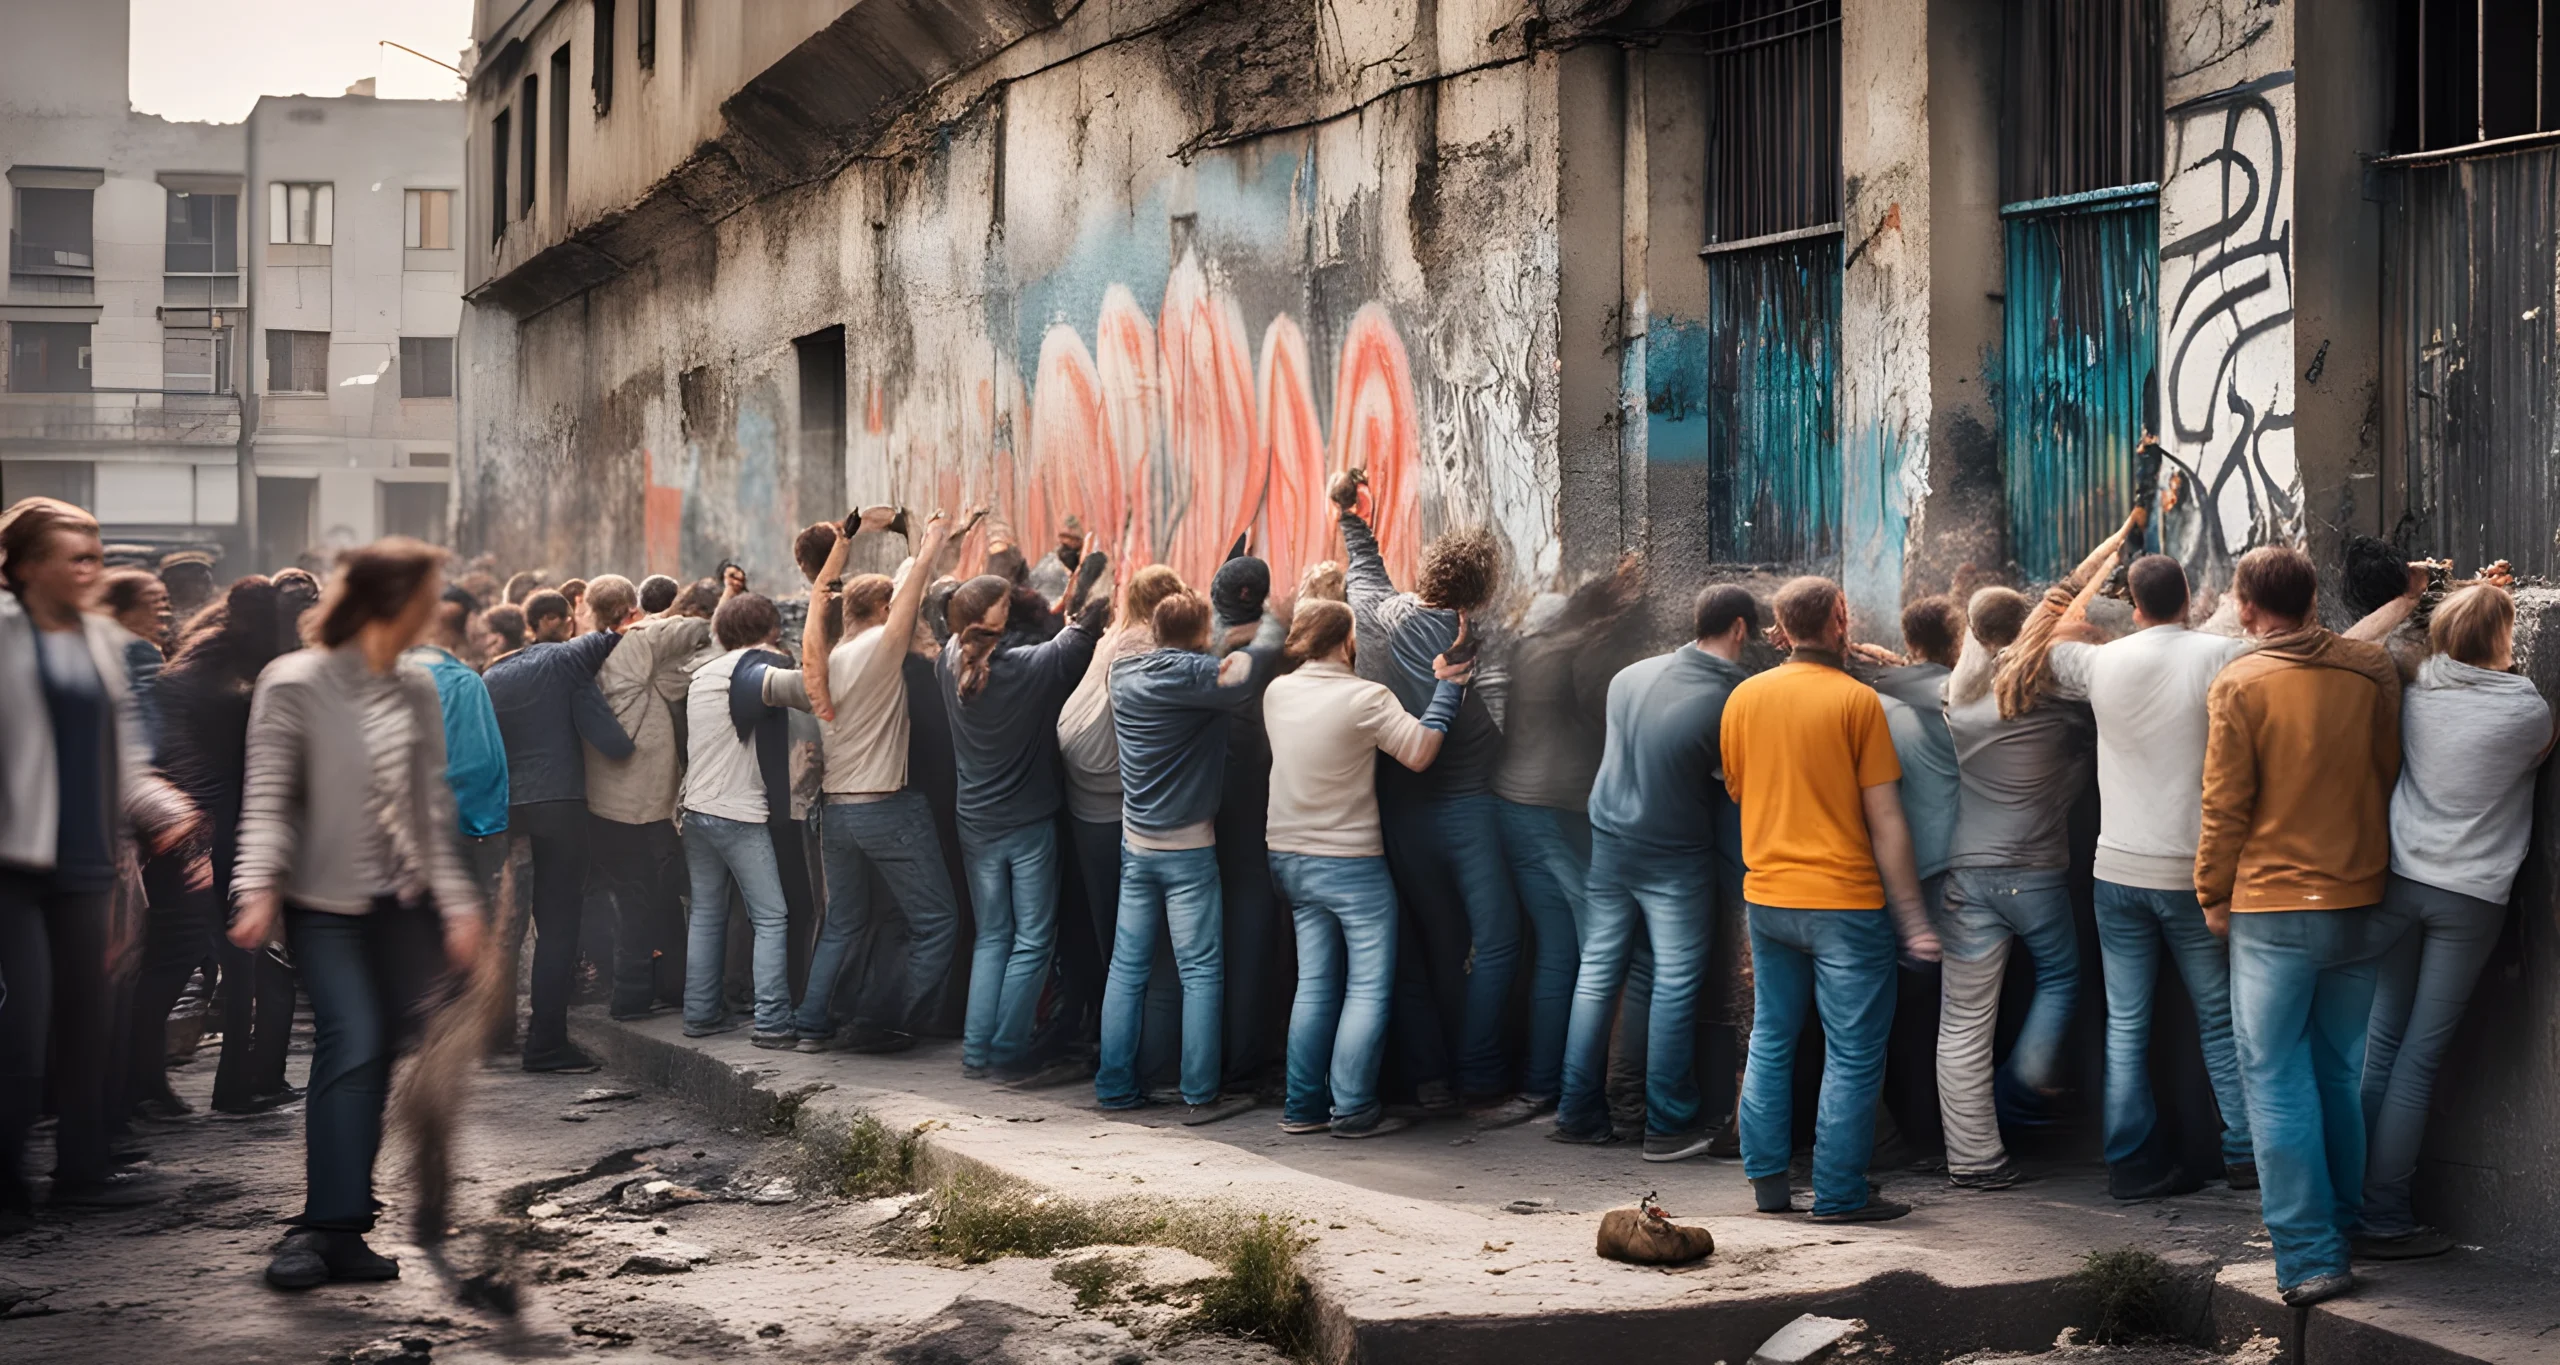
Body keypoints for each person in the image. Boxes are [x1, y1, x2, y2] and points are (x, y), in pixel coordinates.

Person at [229, 538, 486, 1289]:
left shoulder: (413, 687)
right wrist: (257, 886)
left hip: (399, 904)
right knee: (355, 1036)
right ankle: (322, 1223)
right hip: (321, 902)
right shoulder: (295, 680)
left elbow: (429, 805)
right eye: (427, 595)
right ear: (388, 600)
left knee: (376, 1053)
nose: (437, 610)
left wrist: (459, 901)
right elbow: (269, 795)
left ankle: (341, 1223)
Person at [2197, 545, 2402, 1307]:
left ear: (2247, 607)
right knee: (2338, 1071)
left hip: (2272, 907)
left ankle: (2311, 1255)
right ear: (2313, 595)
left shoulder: (2240, 681)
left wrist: (2212, 893)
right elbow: (2387, 767)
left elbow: (2225, 805)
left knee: (2275, 1078)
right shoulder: (2371, 670)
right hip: (2360, 894)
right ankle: (2342, 1224)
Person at [0, 498, 199, 1220]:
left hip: (89, 861)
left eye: (95, 554)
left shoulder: (102, 643)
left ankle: (82, 1167)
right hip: (15, 864)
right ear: (26, 567)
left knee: (91, 1020)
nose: (92, 568)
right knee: (25, 1021)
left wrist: (165, 809)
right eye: (75, 557)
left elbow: (121, 759)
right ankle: (8, 1176)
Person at [1720, 575, 1940, 1222]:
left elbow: (1738, 789)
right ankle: (1841, 1194)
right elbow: (1887, 822)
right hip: (1845, 903)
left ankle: (1767, 1183)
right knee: (1851, 1048)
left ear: (1780, 630)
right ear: (1841, 621)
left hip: (1767, 898)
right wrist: (1914, 918)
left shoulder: (1743, 697)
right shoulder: (1857, 703)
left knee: (1772, 1034)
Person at [2038, 552, 2258, 1199]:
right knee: (2218, 1018)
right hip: (2190, 872)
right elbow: (2269, 646)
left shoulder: (2101, 662)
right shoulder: (2217, 657)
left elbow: (2047, 634)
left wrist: (2093, 590)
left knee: (2126, 1022)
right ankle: (2244, 1153)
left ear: (2133, 605)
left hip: (2117, 870)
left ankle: (2130, 1165)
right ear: (2188, 594)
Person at [2355, 582, 2552, 1260]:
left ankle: (2343, 1202)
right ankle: (2383, 1215)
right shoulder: (2526, 710)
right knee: (2417, 1057)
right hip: (2470, 898)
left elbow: (2404, 656)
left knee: (2380, 1045)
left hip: (2400, 881)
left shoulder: (2419, 688)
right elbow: (2539, 741)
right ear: (2505, 641)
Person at [1932, 517, 2122, 1192]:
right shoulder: (2051, 709)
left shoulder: (1958, 705)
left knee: (1961, 1022)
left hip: (1966, 878)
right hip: (2036, 875)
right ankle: (2025, 1080)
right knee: (2064, 979)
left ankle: (1974, 1157)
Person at [1333, 468, 1521, 1110]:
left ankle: (1436, 1072)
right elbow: (1498, 728)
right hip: (1468, 808)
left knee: (1438, 942)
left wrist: (1350, 514)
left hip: (1400, 809)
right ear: (1484, 588)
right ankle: (1480, 1068)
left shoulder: (1383, 616)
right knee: (1497, 939)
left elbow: (1362, 571)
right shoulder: (1479, 643)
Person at [1553, 584, 1754, 1157]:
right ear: (1740, 629)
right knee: (1676, 980)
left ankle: (1576, 1112)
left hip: (1609, 840)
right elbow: (1729, 781)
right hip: (1673, 854)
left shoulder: (1629, 676)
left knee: (1600, 973)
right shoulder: (1733, 698)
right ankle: (1667, 1125)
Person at [1263, 599, 1466, 1138]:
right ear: (1346, 641)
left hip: (1287, 858)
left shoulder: (1277, 692)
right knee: (1369, 987)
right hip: (1350, 863)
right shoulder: (1365, 697)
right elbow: (1420, 752)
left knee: (1315, 984)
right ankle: (1351, 1108)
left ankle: (1302, 1107)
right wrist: (1449, 686)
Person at [782, 509, 964, 1053]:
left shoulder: (829, 654)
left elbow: (824, 591)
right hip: (886, 806)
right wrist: (930, 537)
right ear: (884, 611)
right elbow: (912, 590)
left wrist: (850, 539)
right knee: (938, 922)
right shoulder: (882, 651)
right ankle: (886, 1020)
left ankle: (812, 1025)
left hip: (836, 811)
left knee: (842, 923)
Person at [1095, 591, 1276, 1122]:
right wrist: (1267, 632)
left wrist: (1219, 642)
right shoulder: (1199, 676)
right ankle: (1199, 1093)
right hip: (1189, 852)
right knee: (1200, 971)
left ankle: (1114, 1088)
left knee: (1126, 971)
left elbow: (1192, 664)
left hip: (1136, 845)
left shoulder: (1124, 672)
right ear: (1201, 634)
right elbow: (1239, 677)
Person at [1490, 558, 1645, 1131]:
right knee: (1603, 956)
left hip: (1513, 804)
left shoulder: (1529, 648)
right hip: (1557, 811)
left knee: (1560, 954)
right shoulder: (1583, 651)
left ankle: (1541, 1084)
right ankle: (1582, 1099)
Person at [940, 572, 1105, 1080]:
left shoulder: (949, 662)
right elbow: (1083, 633)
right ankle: (1009, 1050)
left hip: (975, 822)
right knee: (1032, 939)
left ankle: (975, 1052)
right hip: (1028, 822)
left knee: (992, 937)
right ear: (1000, 621)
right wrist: (1095, 595)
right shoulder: (1027, 668)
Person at [155, 577, 303, 1115]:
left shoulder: (198, 665)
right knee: (248, 964)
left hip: (193, 829)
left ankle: (151, 1084)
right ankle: (236, 1085)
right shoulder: (249, 676)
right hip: (225, 831)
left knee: (183, 963)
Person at [482, 588, 630, 1072]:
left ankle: (494, 1029)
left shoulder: (495, 673)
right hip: (558, 802)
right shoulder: (567, 662)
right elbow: (611, 740)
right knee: (559, 925)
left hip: (509, 808)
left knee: (508, 924)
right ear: (565, 621)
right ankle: (545, 1043)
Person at [1057, 564, 1189, 1088]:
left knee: (1116, 944)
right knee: (1147, 955)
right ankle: (1152, 1067)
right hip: (1121, 806)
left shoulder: (1113, 636)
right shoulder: (1145, 648)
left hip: (1085, 800)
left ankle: (1114, 1068)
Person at [679, 591, 812, 1044]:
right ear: (771, 629)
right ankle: (773, 1021)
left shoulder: (702, 675)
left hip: (695, 811)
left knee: (706, 916)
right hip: (739, 813)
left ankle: (699, 1015)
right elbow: (810, 691)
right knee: (772, 917)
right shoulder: (754, 672)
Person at [582, 573, 706, 1019]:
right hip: (644, 807)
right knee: (650, 899)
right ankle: (643, 993)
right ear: (630, 611)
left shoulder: (587, 656)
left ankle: (635, 987)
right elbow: (693, 632)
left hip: (600, 803)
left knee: (622, 899)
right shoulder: (637, 646)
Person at [405, 587, 511, 904]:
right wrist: (489, 831)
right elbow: (481, 762)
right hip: (455, 831)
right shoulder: (464, 682)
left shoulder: (383, 674)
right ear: (465, 626)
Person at [97, 567, 172, 749]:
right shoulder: (139, 651)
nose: (163, 610)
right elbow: (149, 720)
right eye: (153, 602)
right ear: (125, 611)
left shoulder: (98, 644)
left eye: (164, 600)